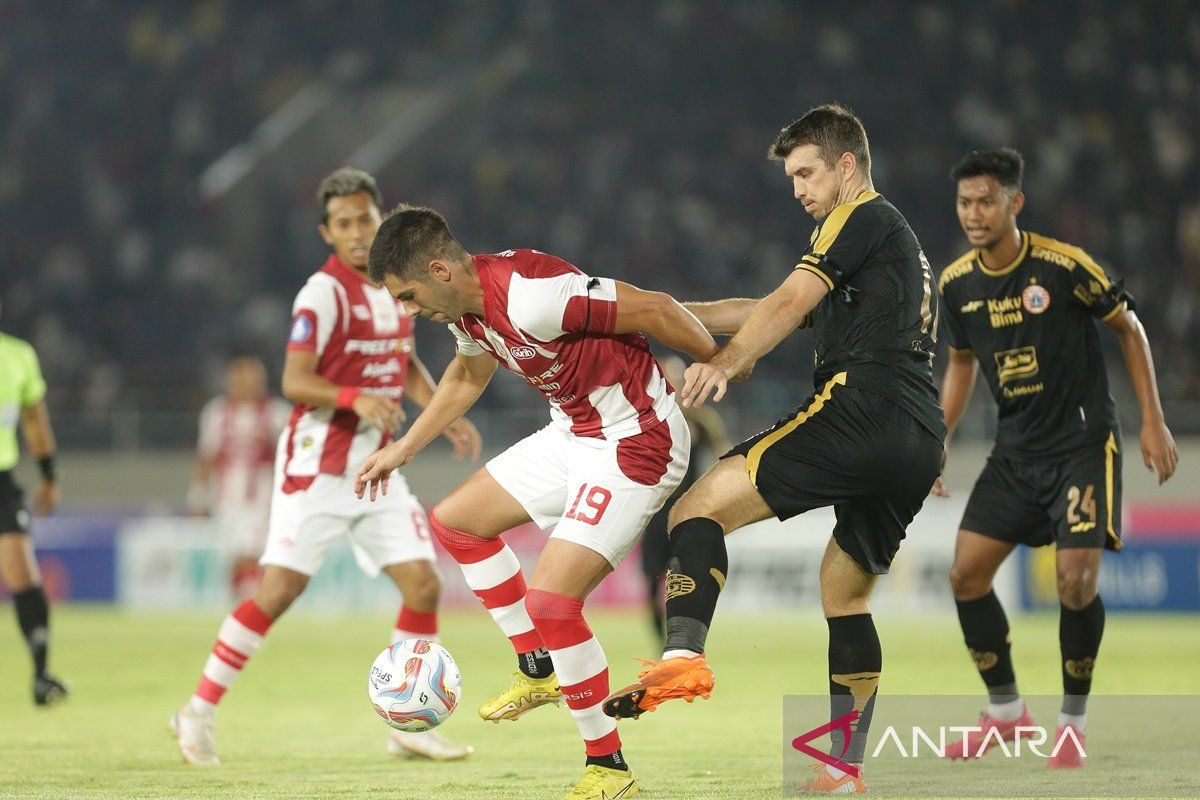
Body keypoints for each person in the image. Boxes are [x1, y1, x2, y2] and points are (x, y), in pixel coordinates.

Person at [602, 104, 946, 794]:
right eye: (793, 176)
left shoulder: (861, 216)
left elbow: (786, 305)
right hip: (917, 436)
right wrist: (654, 313)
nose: (798, 189)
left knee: (696, 510)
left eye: (807, 172)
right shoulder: (881, 247)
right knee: (845, 595)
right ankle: (845, 770)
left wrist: (725, 364)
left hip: (862, 408)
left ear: (846, 165)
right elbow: (762, 304)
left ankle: (682, 654)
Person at [355, 205, 718, 800]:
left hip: (636, 437)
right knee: (457, 523)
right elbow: (468, 377)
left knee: (551, 603)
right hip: (575, 432)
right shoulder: (467, 313)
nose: (409, 311)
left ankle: (609, 767)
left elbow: (654, 308)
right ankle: (538, 668)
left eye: (409, 296)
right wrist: (404, 449)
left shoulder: (531, 295)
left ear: (440, 270)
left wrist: (717, 359)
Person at [171, 169, 481, 765]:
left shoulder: (394, 284)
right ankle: (197, 711)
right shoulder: (321, 293)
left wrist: (442, 411)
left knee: (423, 583)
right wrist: (353, 397)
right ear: (327, 232)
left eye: (366, 218)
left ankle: (409, 726)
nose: (358, 231)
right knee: (277, 593)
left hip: (375, 463)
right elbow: (293, 380)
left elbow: (403, 359)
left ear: (380, 217)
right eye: (344, 223)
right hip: (318, 462)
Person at [934, 148, 1178, 769]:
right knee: (965, 575)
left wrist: (1152, 420)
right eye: (965, 202)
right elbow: (960, 365)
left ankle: (1072, 724)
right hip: (1014, 453)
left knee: (1074, 582)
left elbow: (1130, 327)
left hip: (1079, 446)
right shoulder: (957, 283)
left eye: (986, 200)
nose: (974, 213)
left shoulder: (1063, 266)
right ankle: (1008, 713)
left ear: (1016, 203)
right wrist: (936, 441)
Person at [0, 297, 68, 706]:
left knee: (23, 573)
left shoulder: (19, 356)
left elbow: (34, 419)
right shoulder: (18, 354)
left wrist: (48, 475)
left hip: (1, 480)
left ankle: (42, 674)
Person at [640, 355, 731, 648]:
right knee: (652, 582)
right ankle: (661, 643)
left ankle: (684, 640)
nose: (675, 385)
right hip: (655, 510)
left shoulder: (702, 419)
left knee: (686, 577)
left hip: (687, 511)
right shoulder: (645, 418)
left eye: (678, 379)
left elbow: (724, 456)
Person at [188, 355, 291, 600]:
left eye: (253, 378)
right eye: (240, 378)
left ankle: (250, 611)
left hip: (262, 500)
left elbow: (290, 458)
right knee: (235, 558)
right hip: (227, 500)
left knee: (253, 554)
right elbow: (206, 458)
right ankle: (242, 610)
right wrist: (198, 499)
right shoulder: (216, 413)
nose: (247, 384)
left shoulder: (277, 413)